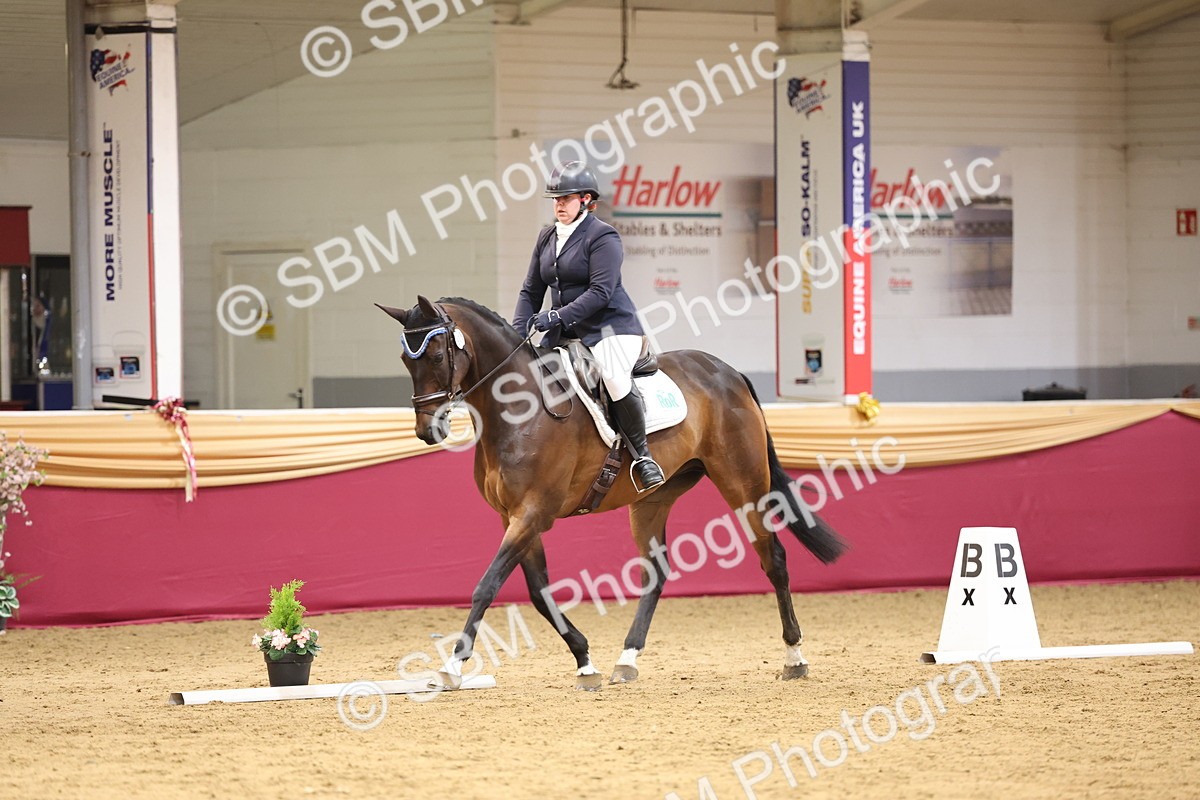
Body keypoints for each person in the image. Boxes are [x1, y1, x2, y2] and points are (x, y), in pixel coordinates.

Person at [513, 160, 665, 491]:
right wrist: (517, 332)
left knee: (610, 374)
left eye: (565, 199)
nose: (558, 205)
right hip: (565, 333)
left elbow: (601, 292)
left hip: (611, 327)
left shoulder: (602, 236)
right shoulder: (547, 237)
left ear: (585, 199)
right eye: (555, 200)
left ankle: (642, 457)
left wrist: (556, 316)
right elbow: (531, 291)